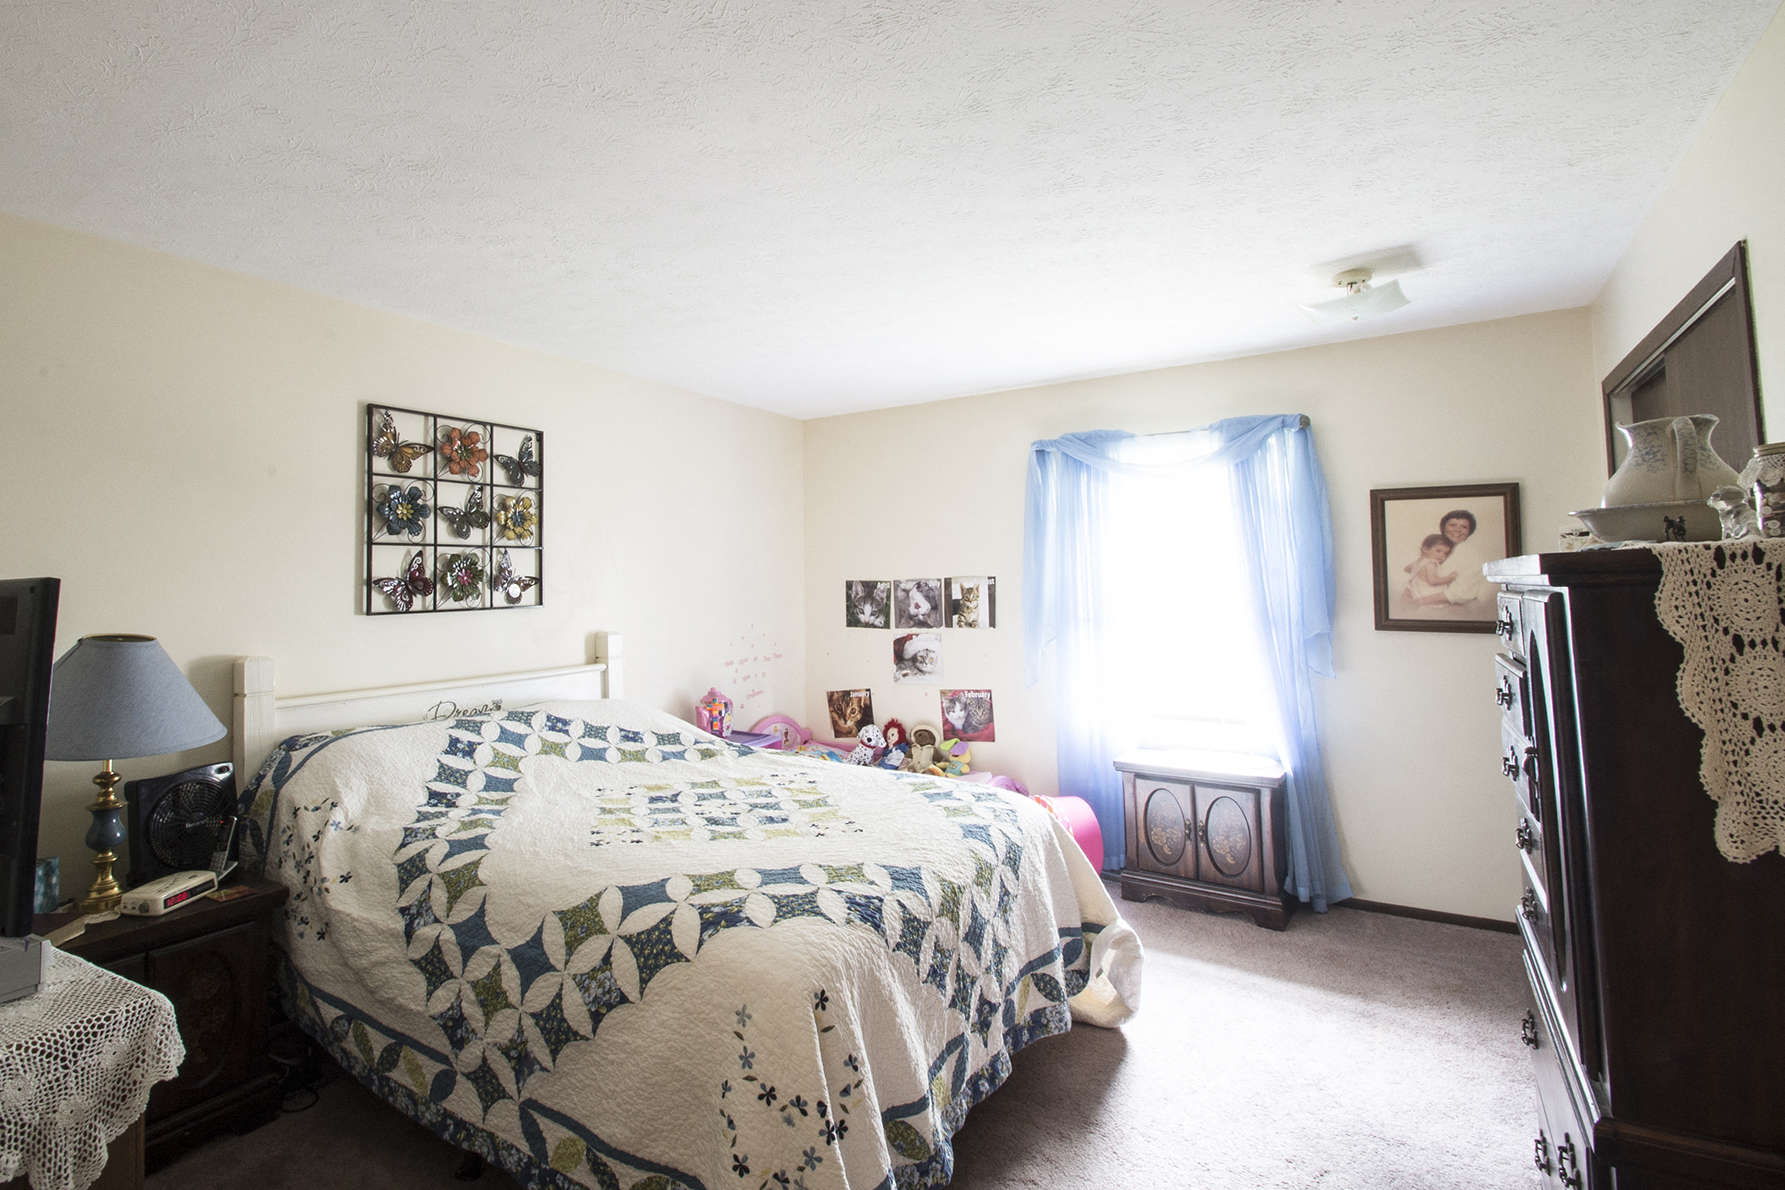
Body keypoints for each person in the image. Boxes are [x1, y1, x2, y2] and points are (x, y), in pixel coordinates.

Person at [1400, 534, 1457, 608]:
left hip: (1417, 594)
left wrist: (1419, 574)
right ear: (1425, 549)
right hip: (1428, 596)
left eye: (1445, 553)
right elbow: (1433, 581)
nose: (1442, 555)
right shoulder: (1430, 563)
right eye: (1438, 551)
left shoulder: (1417, 562)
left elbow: (1406, 569)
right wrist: (1449, 578)